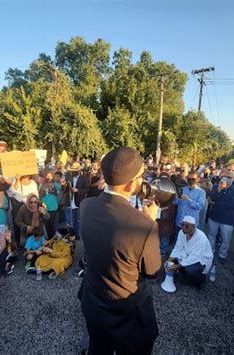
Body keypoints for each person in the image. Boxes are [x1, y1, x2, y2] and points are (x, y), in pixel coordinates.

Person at [78, 146, 161, 355]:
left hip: (94, 301)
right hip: (128, 314)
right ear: (131, 183)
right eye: (142, 176)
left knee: (97, 348)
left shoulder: (86, 206)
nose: (144, 180)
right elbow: (152, 272)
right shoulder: (144, 226)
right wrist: (149, 222)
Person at [164, 216, 213, 290]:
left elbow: (195, 257)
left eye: (186, 226)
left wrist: (178, 266)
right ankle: (185, 276)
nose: (183, 227)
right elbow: (178, 247)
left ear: (193, 227)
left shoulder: (201, 238)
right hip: (187, 254)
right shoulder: (182, 232)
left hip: (201, 259)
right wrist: (168, 260)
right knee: (170, 257)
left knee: (190, 269)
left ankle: (201, 280)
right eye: (182, 225)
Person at [207, 174, 234, 265]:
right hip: (214, 216)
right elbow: (211, 198)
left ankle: (222, 254)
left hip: (226, 219)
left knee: (226, 238)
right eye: (223, 178)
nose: (226, 179)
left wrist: (215, 203)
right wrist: (219, 191)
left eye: (229, 177)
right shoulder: (215, 187)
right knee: (211, 235)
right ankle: (210, 252)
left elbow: (231, 205)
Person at [62, 162, 89, 238]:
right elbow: (64, 191)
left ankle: (76, 234)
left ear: (79, 171)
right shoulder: (68, 177)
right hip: (69, 202)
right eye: (72, 171)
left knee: (77, 220)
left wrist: (78, 190)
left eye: (75, 171)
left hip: (78, 202)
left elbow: (87, 190)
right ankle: (70, 235)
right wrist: (63, 185)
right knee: (69, 220)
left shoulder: (84, 178)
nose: (73, 172)